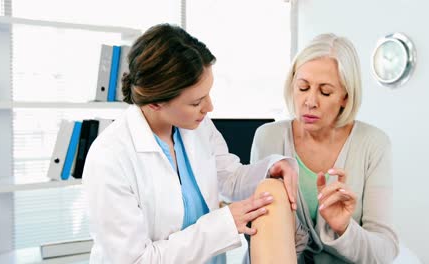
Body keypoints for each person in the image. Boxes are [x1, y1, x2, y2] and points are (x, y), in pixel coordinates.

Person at [82, 23, 298, 264]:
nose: (209, 108)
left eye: (208, 94)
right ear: (155, 103)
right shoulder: (109, 158)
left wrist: (269, 168)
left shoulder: (196, 127)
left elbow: (229, 178)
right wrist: (222, 226)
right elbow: (137, 260)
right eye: (196, 102)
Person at [250, 33, 399, 263]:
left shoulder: (373, 144)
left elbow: (385, 251)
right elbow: (257, 232)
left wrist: (344, 229)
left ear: (345, 98)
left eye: (325, 92)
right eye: (303, 87)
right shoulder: (268, 138)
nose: (310, 101)